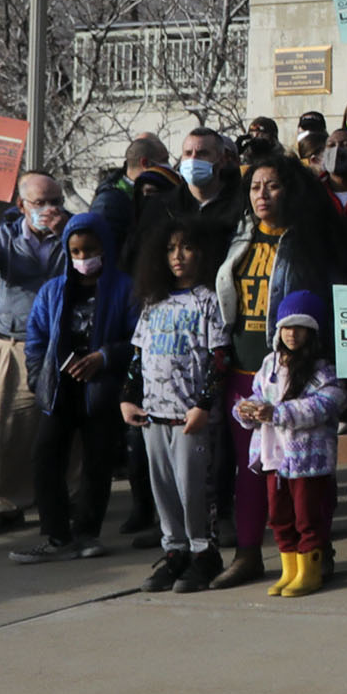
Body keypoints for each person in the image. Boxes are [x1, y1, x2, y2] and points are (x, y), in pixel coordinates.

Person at [12, 215, 138, 564]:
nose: (84, 257)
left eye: (91, 250)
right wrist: (40, 378)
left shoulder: (125, 289)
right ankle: (56, 535)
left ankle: (87, 533)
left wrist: (105, 356)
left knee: (97, 464)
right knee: (45, 457)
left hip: (102, 392)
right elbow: (36, 340)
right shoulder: (53, 291)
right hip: (60, 392)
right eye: (76, 251)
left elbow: (138, 339)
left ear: (105, 250)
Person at [0, 171, 71, 538]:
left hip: (63, 345)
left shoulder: (72, 233)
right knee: (5, 425)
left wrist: (64, 236)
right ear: (22, 206)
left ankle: (66, 499)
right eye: (41, 203)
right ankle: (5, 504)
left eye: (56, 200)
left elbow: (94, 267)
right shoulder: (4, 237)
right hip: (15, 344)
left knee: (66, 428)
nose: (50, 209)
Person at [127, 215, 228, 592]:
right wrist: (128, 397)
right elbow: (138, 355)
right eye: (170, 249)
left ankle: (204, 553)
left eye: (186, 247)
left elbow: (220, 358)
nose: (178, 257)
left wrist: (204, 404)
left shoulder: (208, 301)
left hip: (191, 417)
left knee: (195, 490)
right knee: (164, 489)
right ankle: (175, 552)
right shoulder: (154, 302)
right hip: (154, 415)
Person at [234, 289, 347, 597]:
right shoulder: (269, 365)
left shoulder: (322, 370)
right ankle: (290, 569)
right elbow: (258, 395)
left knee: (307, 516)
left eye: (299, 327)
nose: (292, 334)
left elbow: (328, 403)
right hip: (273, 457)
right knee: (279, 516)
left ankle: (311, 571)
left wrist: (278, 412)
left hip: (307, 461)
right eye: (286, 327)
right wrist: (247, 410)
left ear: (312, 332)